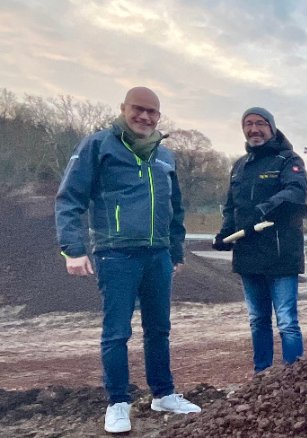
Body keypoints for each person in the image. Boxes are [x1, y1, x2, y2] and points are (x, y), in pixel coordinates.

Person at [55, 87, 201, 434]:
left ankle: (163, 393)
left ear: (159, 117)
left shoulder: (165, 155)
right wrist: (73, 249)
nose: (145, 117)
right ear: (123, 109)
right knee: (117, 332)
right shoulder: (98, 145)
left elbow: (175, 208)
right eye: (139, 109)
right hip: (116, 253)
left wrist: (175, 250)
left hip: (158, 255)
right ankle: (118, 402)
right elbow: (69, 198)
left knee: (159, 329)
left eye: (153, 112)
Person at [212, 107, 307, 374]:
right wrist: (224, 234)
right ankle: (261, 376)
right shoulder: (240, 166)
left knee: (287, 321)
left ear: (272, 127)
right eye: (248, 124)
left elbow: (295, 191)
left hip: (281, 254)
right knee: (258, 320)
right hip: (248, 255)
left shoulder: (289, 160)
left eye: (260, 124)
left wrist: (265, 208)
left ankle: (294, 378)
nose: (254, 129)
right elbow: (232, 207)